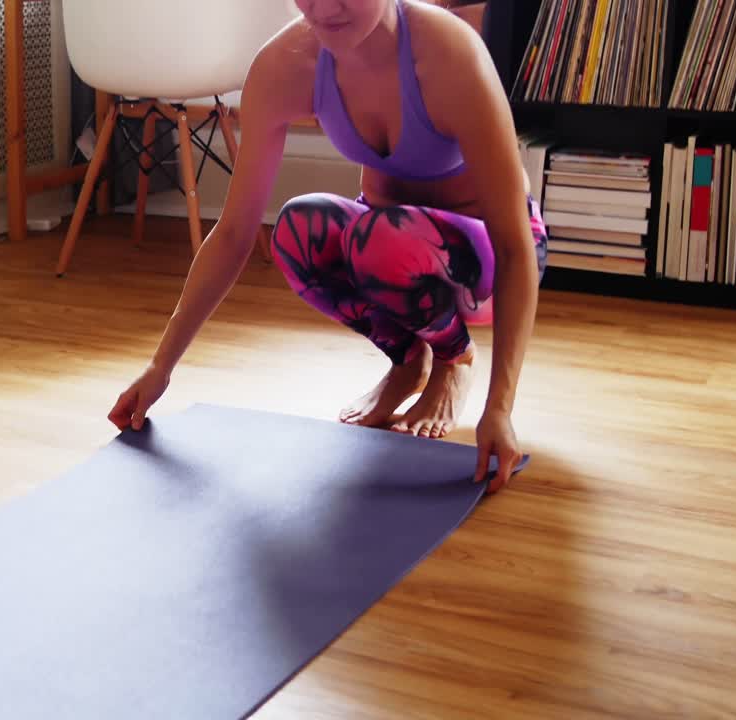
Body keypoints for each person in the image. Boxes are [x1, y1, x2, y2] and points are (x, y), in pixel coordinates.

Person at [107, 0, 547, 493]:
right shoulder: (284, 66)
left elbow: (514, 248)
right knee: (298, 228)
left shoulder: (446, 53)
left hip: (488, 259)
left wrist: (500, 409)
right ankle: (408, 360)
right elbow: (233, 232)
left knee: (379, 239)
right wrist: (159, 366)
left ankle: (454, 360)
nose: (324, 6)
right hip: (388, 252)